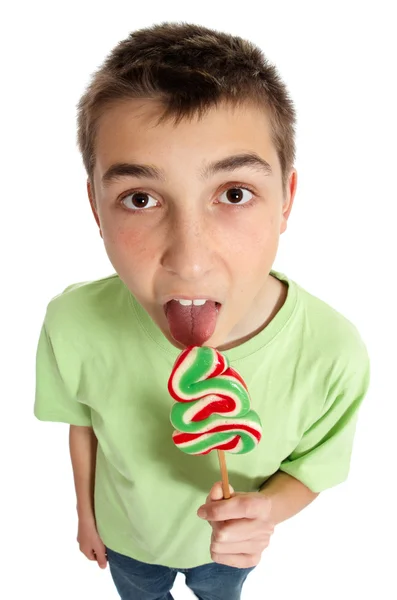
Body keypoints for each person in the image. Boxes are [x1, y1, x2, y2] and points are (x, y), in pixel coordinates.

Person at [34, 21, 370, 600]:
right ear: (95, 205)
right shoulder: (72, 323)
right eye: (140, 199)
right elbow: (82, 423)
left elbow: (313, 467)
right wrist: (87, 517)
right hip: (126, 541)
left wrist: (265, 510)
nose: (189, 264)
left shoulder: (331, 353)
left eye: (234, 193)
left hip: (228, 555)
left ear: (286, 198)